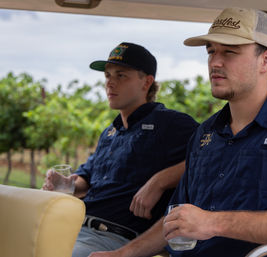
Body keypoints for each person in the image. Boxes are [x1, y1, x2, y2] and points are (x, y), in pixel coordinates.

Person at [89, 8, 267, 257]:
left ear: (266, 60)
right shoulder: (205, 133)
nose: (215, 62)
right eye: (211, 52)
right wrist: (121, 254)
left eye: (230, 51)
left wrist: (213, 222)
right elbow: (174, 220)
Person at [42, 42, 199, 257]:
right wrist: (65, 184)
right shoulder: (109, 133)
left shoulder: (170, 124)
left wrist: (160, 180)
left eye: (121, 75)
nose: (110, 83)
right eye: (107, 75)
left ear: (147, 82)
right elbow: (84, 180)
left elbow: (211, 156)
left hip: (113, 239)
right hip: (71, 227)